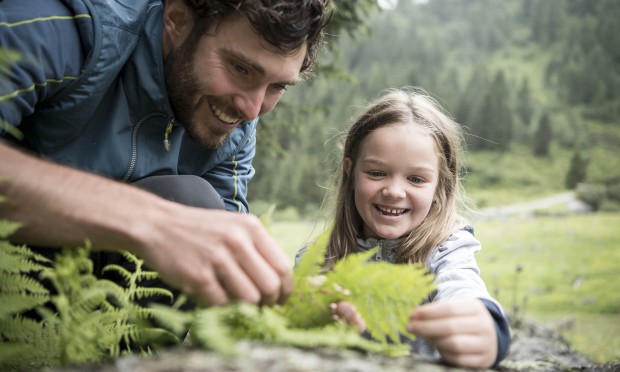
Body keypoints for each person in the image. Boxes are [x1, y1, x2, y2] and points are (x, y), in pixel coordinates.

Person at [0, 0, 331, 308]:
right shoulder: (67, 28)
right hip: (12, 270)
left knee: (199, 209)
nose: (252, 109)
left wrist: (299, 308)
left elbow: (225, 262)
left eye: (277, 87)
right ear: (178, 20)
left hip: (92, 307)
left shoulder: (235, 122)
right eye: (241, 69)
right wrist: (149, 221)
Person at [296, 87, 510, 368]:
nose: (394, 191)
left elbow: (463, 287)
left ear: (439, 186)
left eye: (416, 179)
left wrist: (489, 328)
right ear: (350, 171)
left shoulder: (446, 249)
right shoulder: (318, 257)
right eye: (376, 173)